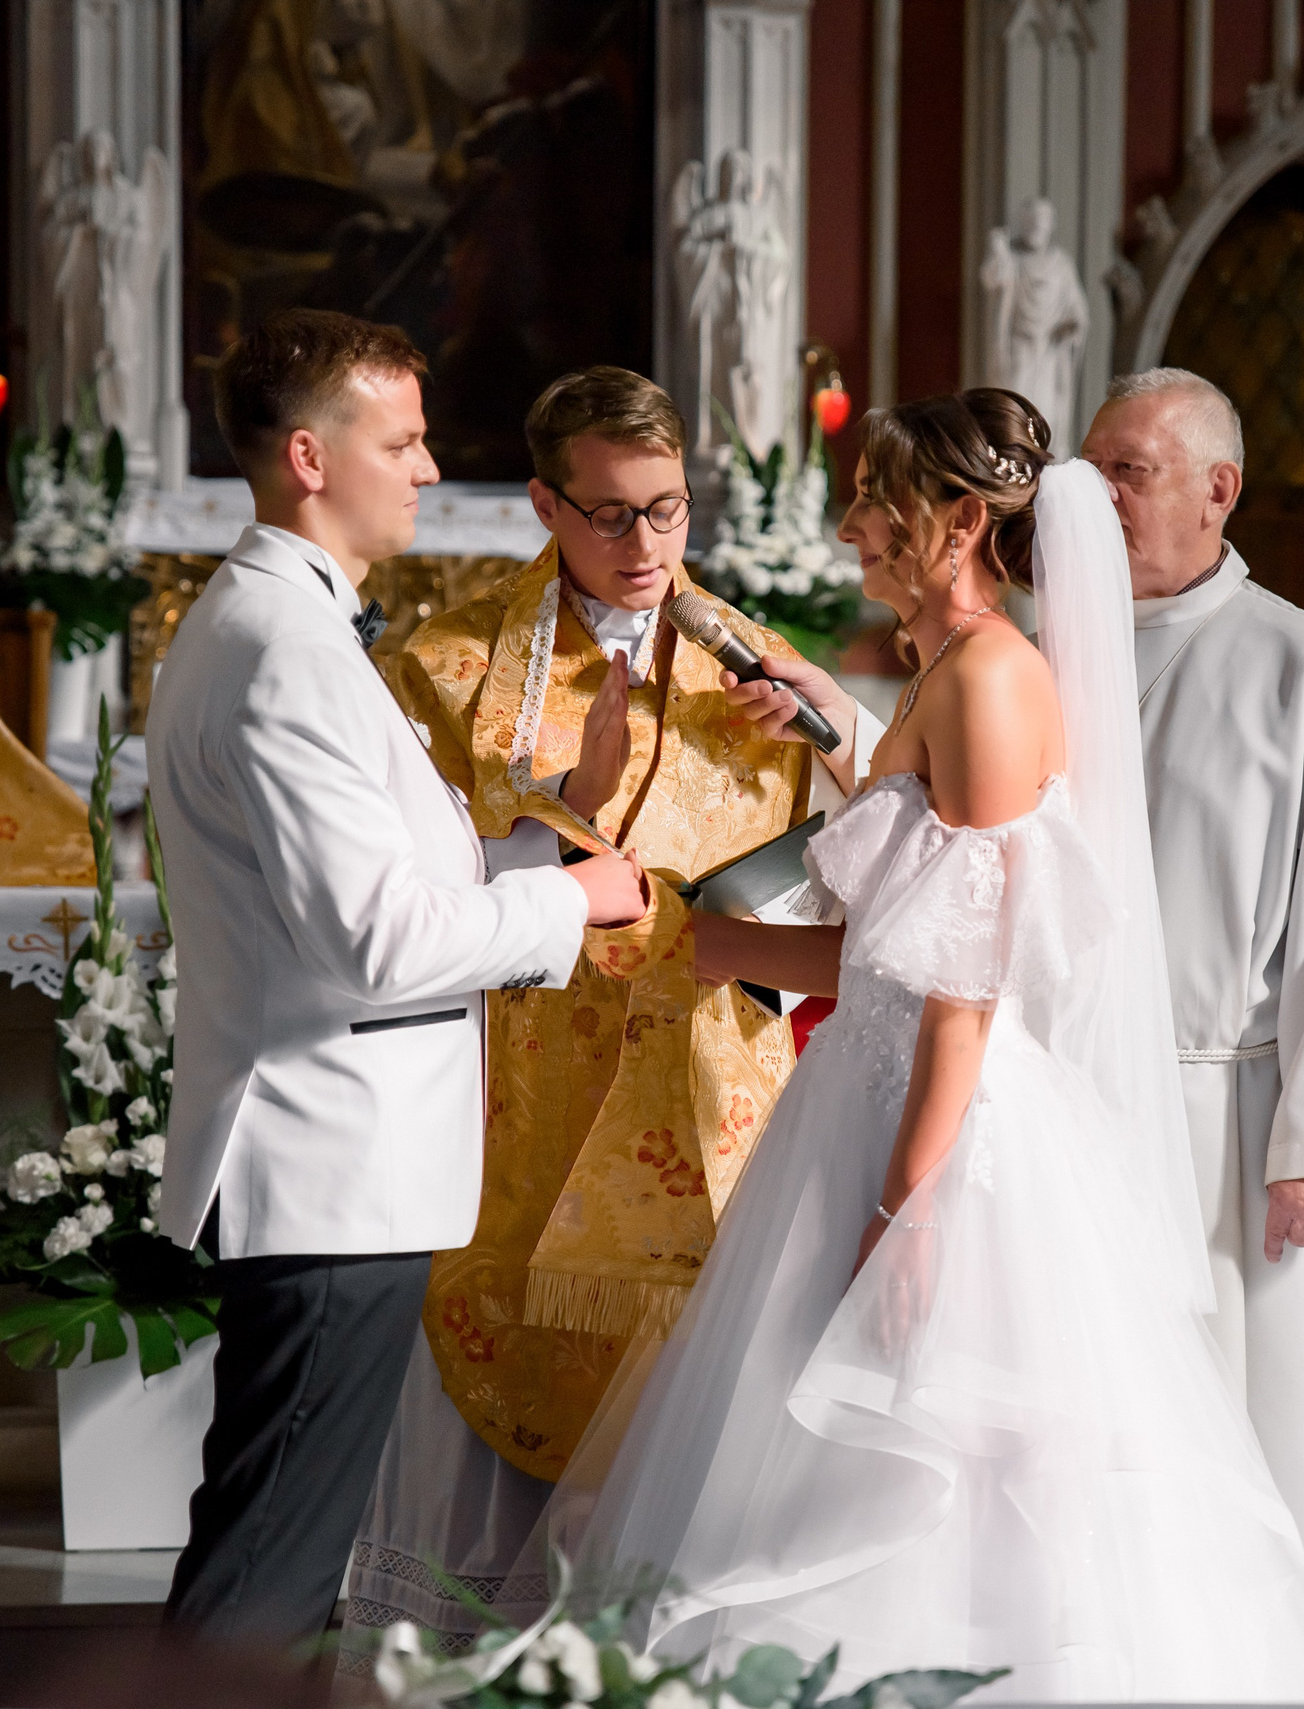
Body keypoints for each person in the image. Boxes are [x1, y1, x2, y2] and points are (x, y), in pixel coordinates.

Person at [546, 391, 1304, 1702]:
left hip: (945, 1140)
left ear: (963, 520)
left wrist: (905, 1211)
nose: (851, 528)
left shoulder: (988, 678)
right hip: (873, 1101)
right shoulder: (948, 670)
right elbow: (891, 956)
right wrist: (699, 939)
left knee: (933, 1470)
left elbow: (966, 991)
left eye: (877, 502)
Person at [340, 367, 874, 1655]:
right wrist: (560, 804)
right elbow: (405, 895)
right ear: (546, 505)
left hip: (710, 1090)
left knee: (699, 1405)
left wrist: (829, 728)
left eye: (668, 509)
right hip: (519, 1089)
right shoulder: (448, 666)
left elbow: (899, 844)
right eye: (612, 514)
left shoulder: (755, 658)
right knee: (496, 1367)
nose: (646, 544)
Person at [148, 308, 647, 1642]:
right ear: (310, 457)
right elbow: (376, 941)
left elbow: (381, 874)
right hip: (328, 1164)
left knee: (275, 1552)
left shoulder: (279, 623)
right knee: (270, 1573)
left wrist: (552, 828)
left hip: (334, 1163)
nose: (430, 468)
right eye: (403, 441)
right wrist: (574, 899)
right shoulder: (288, 653)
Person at [1082, 367, 1304, 1701]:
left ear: (1217, 490)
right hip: (1083, 1114)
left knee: (1255, 1433)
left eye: (1130, 472)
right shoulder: (1052, 651)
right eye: (1093, 471)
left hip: (1234, 1121)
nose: (1102, 496)